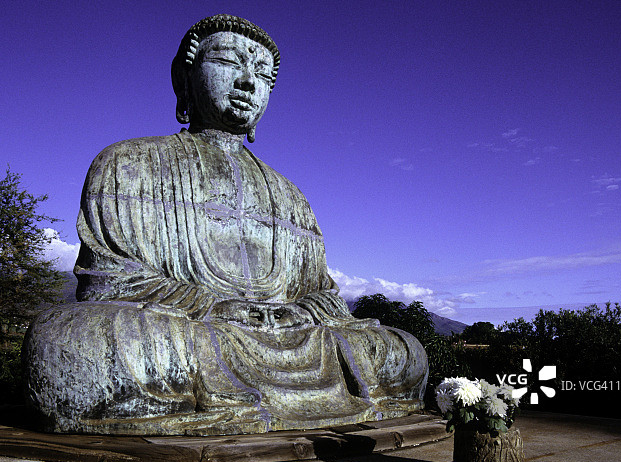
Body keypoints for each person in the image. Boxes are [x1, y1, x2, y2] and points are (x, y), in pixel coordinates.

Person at [25, 14, 427, 435]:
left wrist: (295, 313)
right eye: (229, 62)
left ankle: (244, 395)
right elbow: (107, 283)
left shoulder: (291, 196)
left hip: (293, 339)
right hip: (190, 330)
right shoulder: (127, 163)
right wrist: (212, 307)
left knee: (401, 351)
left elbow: (325, 296)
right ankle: (225, 393)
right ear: (185, 77)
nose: (248, 83)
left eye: (264, 76)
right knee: (68, 340)